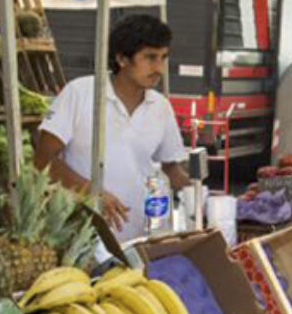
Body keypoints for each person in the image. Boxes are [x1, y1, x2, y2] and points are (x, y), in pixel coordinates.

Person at [36, 14, 190, 241]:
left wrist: (205, 196)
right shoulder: (80, 93)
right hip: (83, 236)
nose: (159, 68)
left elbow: (171, 169)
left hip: (140, 237)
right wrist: (90, 192)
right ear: (121, 58)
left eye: (163, 58)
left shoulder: (160, 107)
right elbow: (43, 159)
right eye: (150, 57)